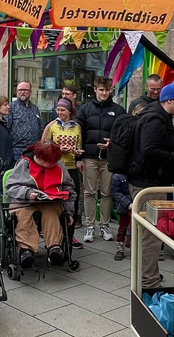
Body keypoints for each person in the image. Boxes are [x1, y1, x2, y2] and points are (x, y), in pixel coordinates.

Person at [128, 84, 174, 290]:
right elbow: (148, 150)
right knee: (151, 236)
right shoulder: (155, 119)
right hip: (149, 185)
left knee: (147, 234)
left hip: (150, 182)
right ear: (169, 100)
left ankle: (147, 275)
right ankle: (149, 282)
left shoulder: (157, 116)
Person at [6, 141, 76, 267]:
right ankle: (26, 250)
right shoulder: (24, 164)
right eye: (50, 162)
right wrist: (27, 193)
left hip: (50, 201)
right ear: (38, 158)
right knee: (23, 214)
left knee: (52, 212)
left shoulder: (58, 165)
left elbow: (70, 190)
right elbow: (11, 187)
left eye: (54, 162)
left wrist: (69, 212)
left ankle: (54, 247)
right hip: (24, 200)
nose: (53, 164)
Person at [78, 76, 125, 243]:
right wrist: (79, 157)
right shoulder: (85, 109)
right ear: (95, 90)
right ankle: (90, 226)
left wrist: (112, 143)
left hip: (109, 158)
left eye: (107, 90)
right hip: (89, 156)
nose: (104, 93)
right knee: (89, 192)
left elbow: (123, 134)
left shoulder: (118, 110)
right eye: (101, 90)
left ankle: (104, 225)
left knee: (107, 193)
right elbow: (79, 135)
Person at [42, 98, 85, 246]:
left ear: (69, 111)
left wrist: (76, 152)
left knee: (72, 201)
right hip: (55, 168)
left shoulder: (76, 127)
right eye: (58, 110)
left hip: (72, 168)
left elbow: (79, 148)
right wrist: (58, 150)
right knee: (57, 202)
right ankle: (56, 236)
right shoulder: (52, 126)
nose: (60, 113)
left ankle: (70, 235)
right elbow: (44, 147)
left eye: (63, 110)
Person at [9, 81, 43, 162]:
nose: (22, 92)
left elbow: (40, 127)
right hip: (17, 151)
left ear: (30, 92)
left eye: (25, 90)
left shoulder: (35, 109)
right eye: (20, 90)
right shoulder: (11, 108)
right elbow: (6, 129)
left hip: (34, 151)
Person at [111, 172, 132, 261]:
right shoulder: (118, 176)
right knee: (122, 228)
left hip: (136, 204)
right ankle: (120, 248)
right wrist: (127, 203)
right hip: (125, 207)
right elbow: (115, 192)